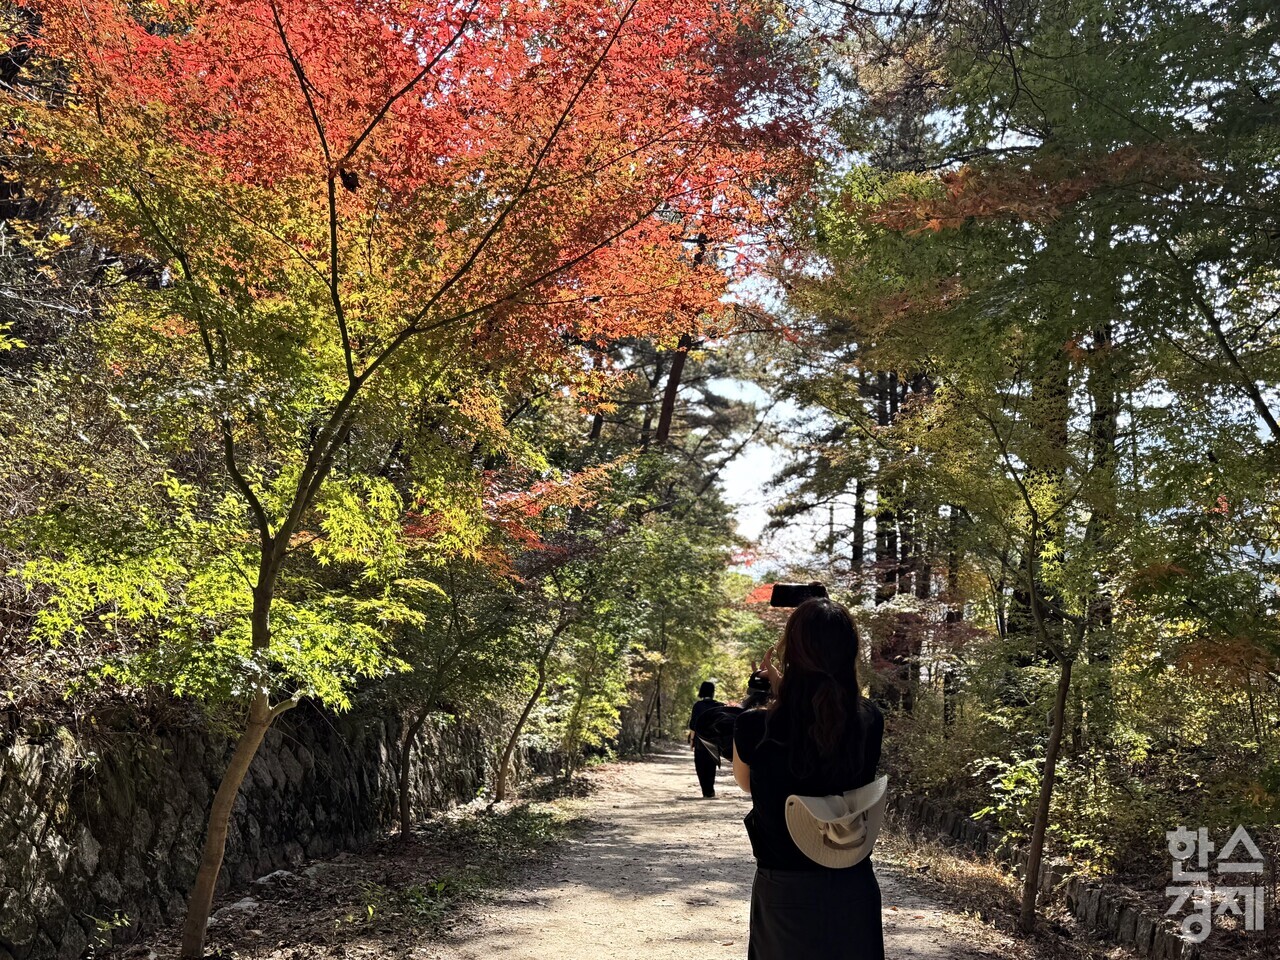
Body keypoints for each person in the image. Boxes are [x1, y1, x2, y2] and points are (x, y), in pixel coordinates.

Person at [732, 598, 886, 960]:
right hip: (854, 884)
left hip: (785, 890)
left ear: (792, 653)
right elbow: (825, 715)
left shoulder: (755, 726)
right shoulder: (869, 720)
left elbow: (746, 782)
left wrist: (773, 693)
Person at [687, 680, 723, 798]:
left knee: (700, 766)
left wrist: (692, 741)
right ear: (713, 692)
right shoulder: (718, 705)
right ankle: (710, 790)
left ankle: (705, 791)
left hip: (700, 741)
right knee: (711, 767)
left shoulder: (698, 706)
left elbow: (693, 725)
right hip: (714, 742)